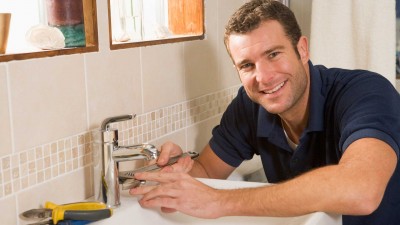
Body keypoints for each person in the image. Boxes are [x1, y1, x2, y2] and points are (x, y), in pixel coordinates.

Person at [129, 0, 400, 224]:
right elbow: (208, 172)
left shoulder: (365, 92)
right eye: (247, 65)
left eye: (273, 54)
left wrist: (220, 202)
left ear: (302, 49)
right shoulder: (250, 106)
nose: (264, 78)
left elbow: (361, 190)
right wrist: (179, 170)